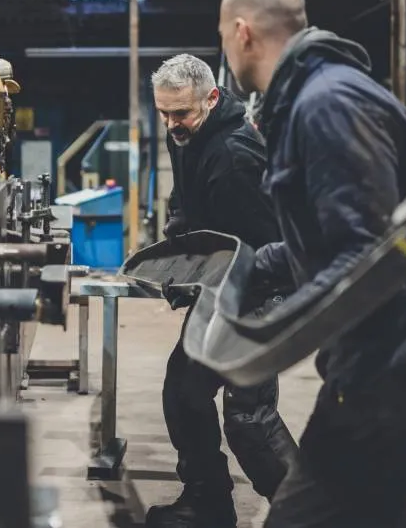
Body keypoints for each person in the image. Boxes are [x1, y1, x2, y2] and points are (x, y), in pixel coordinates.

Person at [217, 0, 406, 528]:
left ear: (242, 32)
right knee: (370, 510)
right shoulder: (312, 98)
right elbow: (337, 238)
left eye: (222, 36)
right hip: (402, 326)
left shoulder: (325, 104)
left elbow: (365, 260)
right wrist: (253, 268)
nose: (225, 48)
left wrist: (273, 334)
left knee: (309, 514)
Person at [147, 53, 295, 528]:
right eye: (164, 113)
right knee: (186, 391)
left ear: (211, 99)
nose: (171, 124)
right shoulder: (189, 132)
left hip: (261, 288)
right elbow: (187, 194)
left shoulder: (234, 155)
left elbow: (269, 245)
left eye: (181, 114)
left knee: (250, 421)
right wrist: (179, 230)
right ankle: (207, 504)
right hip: (223, 282)